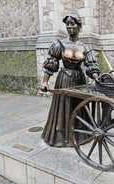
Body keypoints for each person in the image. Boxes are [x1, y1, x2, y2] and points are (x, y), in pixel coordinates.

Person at [40, 12, 100, 147]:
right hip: (64, 80)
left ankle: (79, 136)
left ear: (79, 26)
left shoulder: (85, 47)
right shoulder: (59, 44)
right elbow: (51, 63)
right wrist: (44, 81)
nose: (69, 27)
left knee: (78, 107)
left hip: (79, 80)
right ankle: (61, 138)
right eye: (67, 24)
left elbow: (91, 66)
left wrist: (97, 79)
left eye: (72, 24)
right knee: (64, 108)